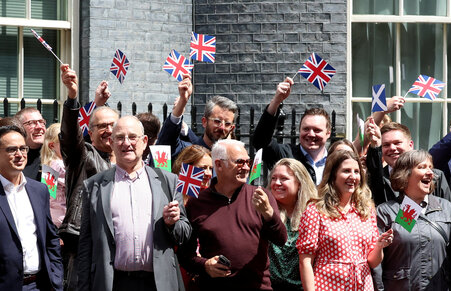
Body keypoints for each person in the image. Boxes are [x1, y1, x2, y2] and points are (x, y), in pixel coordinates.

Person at [76, 116, 192, 291]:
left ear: (144, 141)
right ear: (111, 142)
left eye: (132, 137)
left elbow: (184, 234)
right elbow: (86, 243)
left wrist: (172, 224)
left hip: (158, 283)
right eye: (120, 137)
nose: (126, 143)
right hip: (114, 282)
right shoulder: (94, 185)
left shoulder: (167, 181)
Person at [0, 125, 63, 290]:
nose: (20, 155)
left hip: (38, 285)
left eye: (23, 148)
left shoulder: (40, 190)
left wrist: (56, 278)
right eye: (11, 150)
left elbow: (50, 238)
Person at [178, 139, 287, 290]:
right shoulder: (197, 203)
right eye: (240, 162)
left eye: (248, 162)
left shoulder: (261, 197)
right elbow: (185, 256)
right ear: (219, 165)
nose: (246, 167)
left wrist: (269, 214)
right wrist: (205, 265)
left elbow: (281, 239)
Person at [373, 150, 451, 290]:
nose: (430, 172)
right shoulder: (386, 213)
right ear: (405, 174)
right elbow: (376, 264)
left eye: (431, 167)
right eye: (422, 167)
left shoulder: (447, 210)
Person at [58, 64, 117, 288]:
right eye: (101, 126)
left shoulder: (132, 164)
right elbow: (70, 136)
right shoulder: (83, 156)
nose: (108, 130)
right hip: (85, 247)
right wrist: (72, 97)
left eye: (113, 125)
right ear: (89, 133)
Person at [296, 150, 390, 290]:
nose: (353, 176)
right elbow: (305, 262)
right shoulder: (315, 209)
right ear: (333, 175)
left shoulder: (367, 209)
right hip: (328, 286)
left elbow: (372, 261)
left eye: (356, 172)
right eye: (346, 171)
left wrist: (380, 246)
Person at [251, 78, 329, 184]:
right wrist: (276, 101)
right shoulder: (286, 154)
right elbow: (260, 141)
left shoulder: (334, 161)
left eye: (317, 130)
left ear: (328, 133)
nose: (311, 134)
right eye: (306, 129)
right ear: (299, 130)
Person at [363, 121, 451, 204]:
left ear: (410, 145)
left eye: (397, 143)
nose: (392, 148)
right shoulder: (378, 178)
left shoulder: (436, 176)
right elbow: (404, 220)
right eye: (386, 145)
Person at [266, 158, 319, 291]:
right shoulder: (264, 211)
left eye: (284, 178)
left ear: (300, 183)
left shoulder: (315, 212)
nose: (277, 183)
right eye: (273, 178)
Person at [156, 75, 237, 156]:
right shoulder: (187, 152)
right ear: (204, 122)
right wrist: (182, 102)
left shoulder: (234, 159)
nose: (222, 127)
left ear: (232, 128)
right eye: (217, 121)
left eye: (227, 124)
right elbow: (164, 145)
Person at [41, 123, 68, 227]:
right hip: (62, 215)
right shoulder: (59, 165)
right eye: (64, 143)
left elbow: (50, 194)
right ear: (52, 145)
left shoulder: (49, 164)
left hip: (54, 215)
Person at [16, 107, 47, 181]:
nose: (39, 127)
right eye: (31, 123)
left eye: (41, 122)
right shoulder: (15, 157)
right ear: (20, 128)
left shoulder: (55, 152)